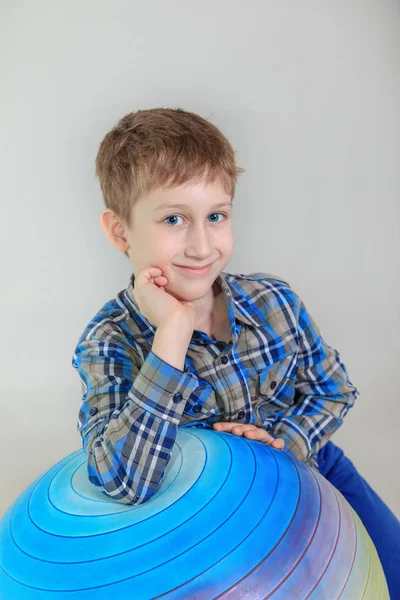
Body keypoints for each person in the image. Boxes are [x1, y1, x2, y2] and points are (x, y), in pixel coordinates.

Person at [72, 107, 399, 596]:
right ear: (121, 231)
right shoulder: (109, 340)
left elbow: (333, 389)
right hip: (204, 513)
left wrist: (282, 442)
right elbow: (123, 482)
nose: (202, 246)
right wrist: (173, 334)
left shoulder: (274, 301)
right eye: (174, 219)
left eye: (216, 216)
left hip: (309, 469)